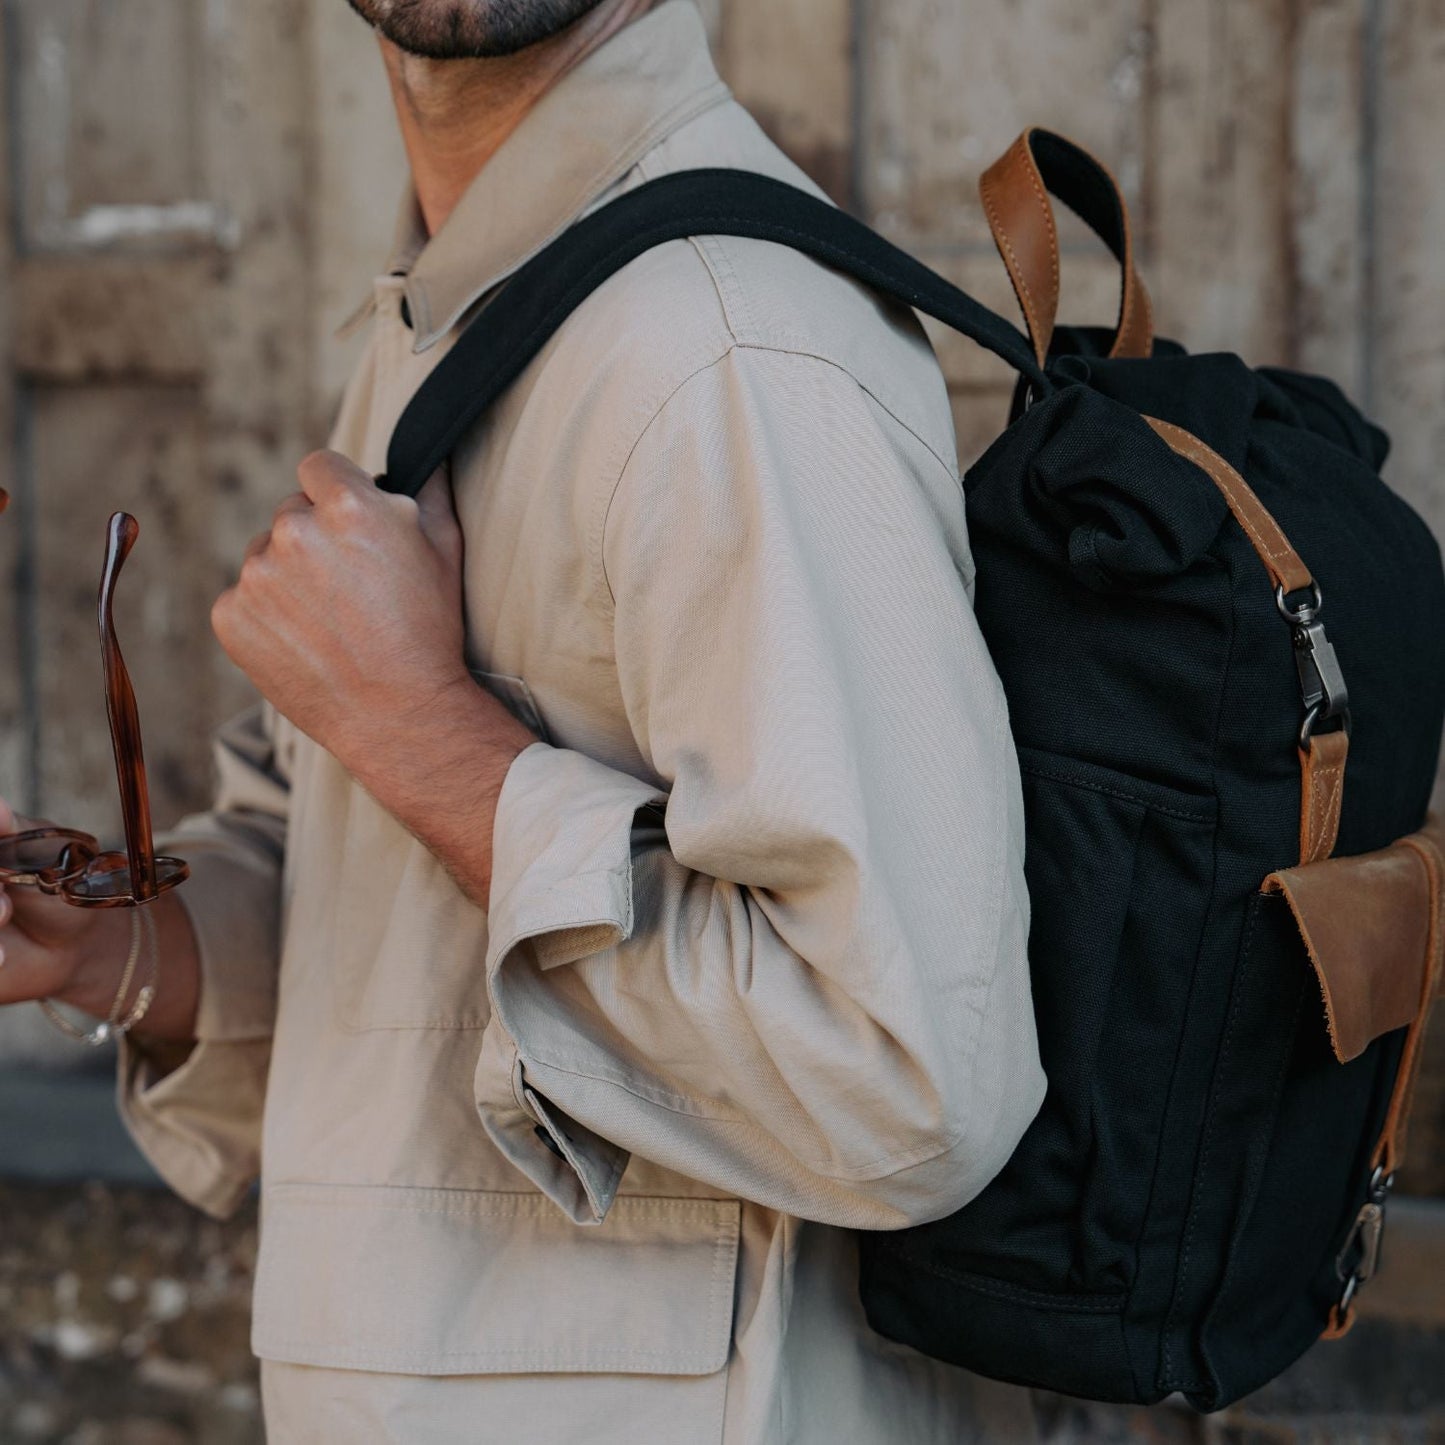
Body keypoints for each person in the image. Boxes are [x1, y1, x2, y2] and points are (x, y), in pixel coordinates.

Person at [0, 1, 1045, 1438]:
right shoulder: (483, 298)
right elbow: (395, 937)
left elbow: (907, 1077)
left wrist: (425, 731)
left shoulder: (723, 347)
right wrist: (112, 942)